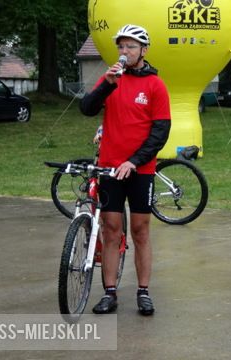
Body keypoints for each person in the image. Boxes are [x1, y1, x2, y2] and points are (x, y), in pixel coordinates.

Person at [79, 24, 171, 316]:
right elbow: (87, 109)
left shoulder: (155, 85)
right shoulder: (112, 79)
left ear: (143, 50)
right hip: (108, 168)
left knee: (141, 230)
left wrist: (134, 161)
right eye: (121, 47)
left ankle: (143, 291)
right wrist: (106, 83)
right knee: (111, 229)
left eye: (130, 47)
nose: (124, 52)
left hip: (140, 169)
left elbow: (160, 131)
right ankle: (109, 292)